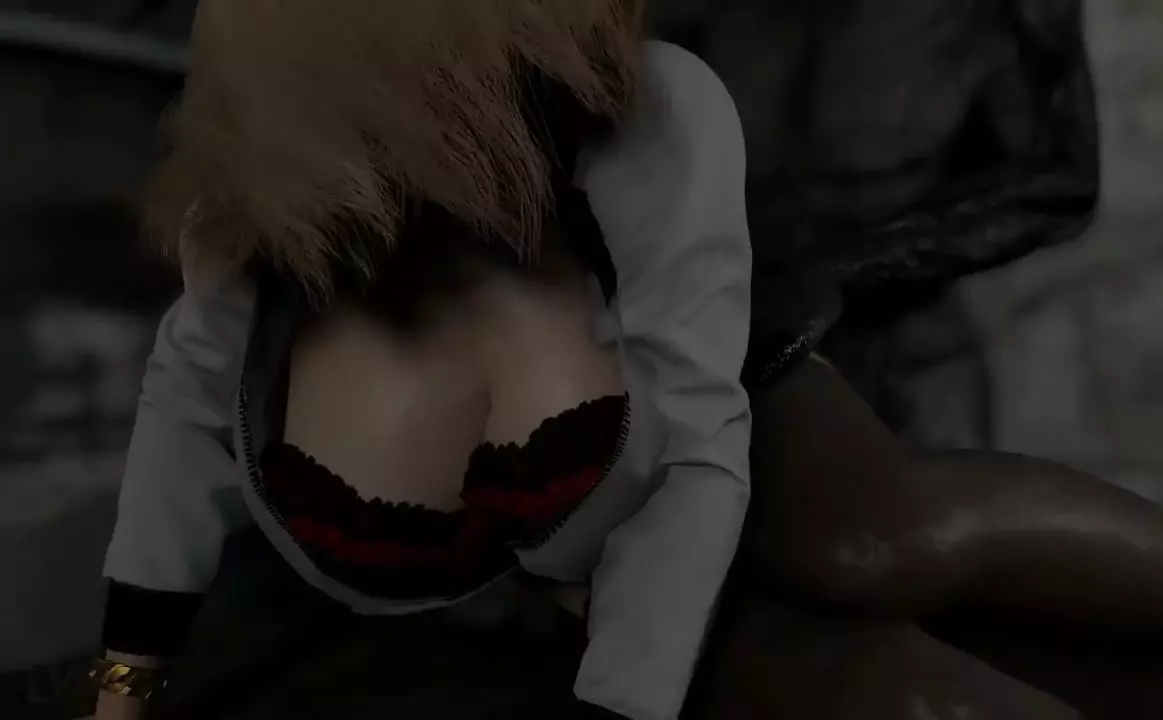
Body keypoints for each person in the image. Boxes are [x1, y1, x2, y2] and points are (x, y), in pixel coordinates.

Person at [92, 2, 751, 719]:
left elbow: (693, 441)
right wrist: (120, 698)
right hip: (355, 560)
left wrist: (623, 695)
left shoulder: (655, 104)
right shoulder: (275, 94)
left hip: (587, 539)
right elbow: (187, 402)